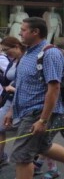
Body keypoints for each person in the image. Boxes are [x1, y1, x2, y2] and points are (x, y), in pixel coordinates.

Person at [4, 17, 64, 178]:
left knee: (22, 156)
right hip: (25, 111)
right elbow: (22, 85)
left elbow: (54, 88)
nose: (20, 33)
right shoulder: (27, 53)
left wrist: (43, 120)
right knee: (43, 146)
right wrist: (11, 109)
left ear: (35, 32)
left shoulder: (50, 53)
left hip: (37, 112)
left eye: (23, 30)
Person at [0, 36, 24, 166]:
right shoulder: (12, 60)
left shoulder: (25, 60)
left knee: (32, 136)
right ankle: (2, 157)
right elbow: (6, 79)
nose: (4, 52)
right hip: (10, 99)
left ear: (16, 46)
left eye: (6, 49)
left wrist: (13, 88)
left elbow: (24, 83)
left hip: (22, 100)